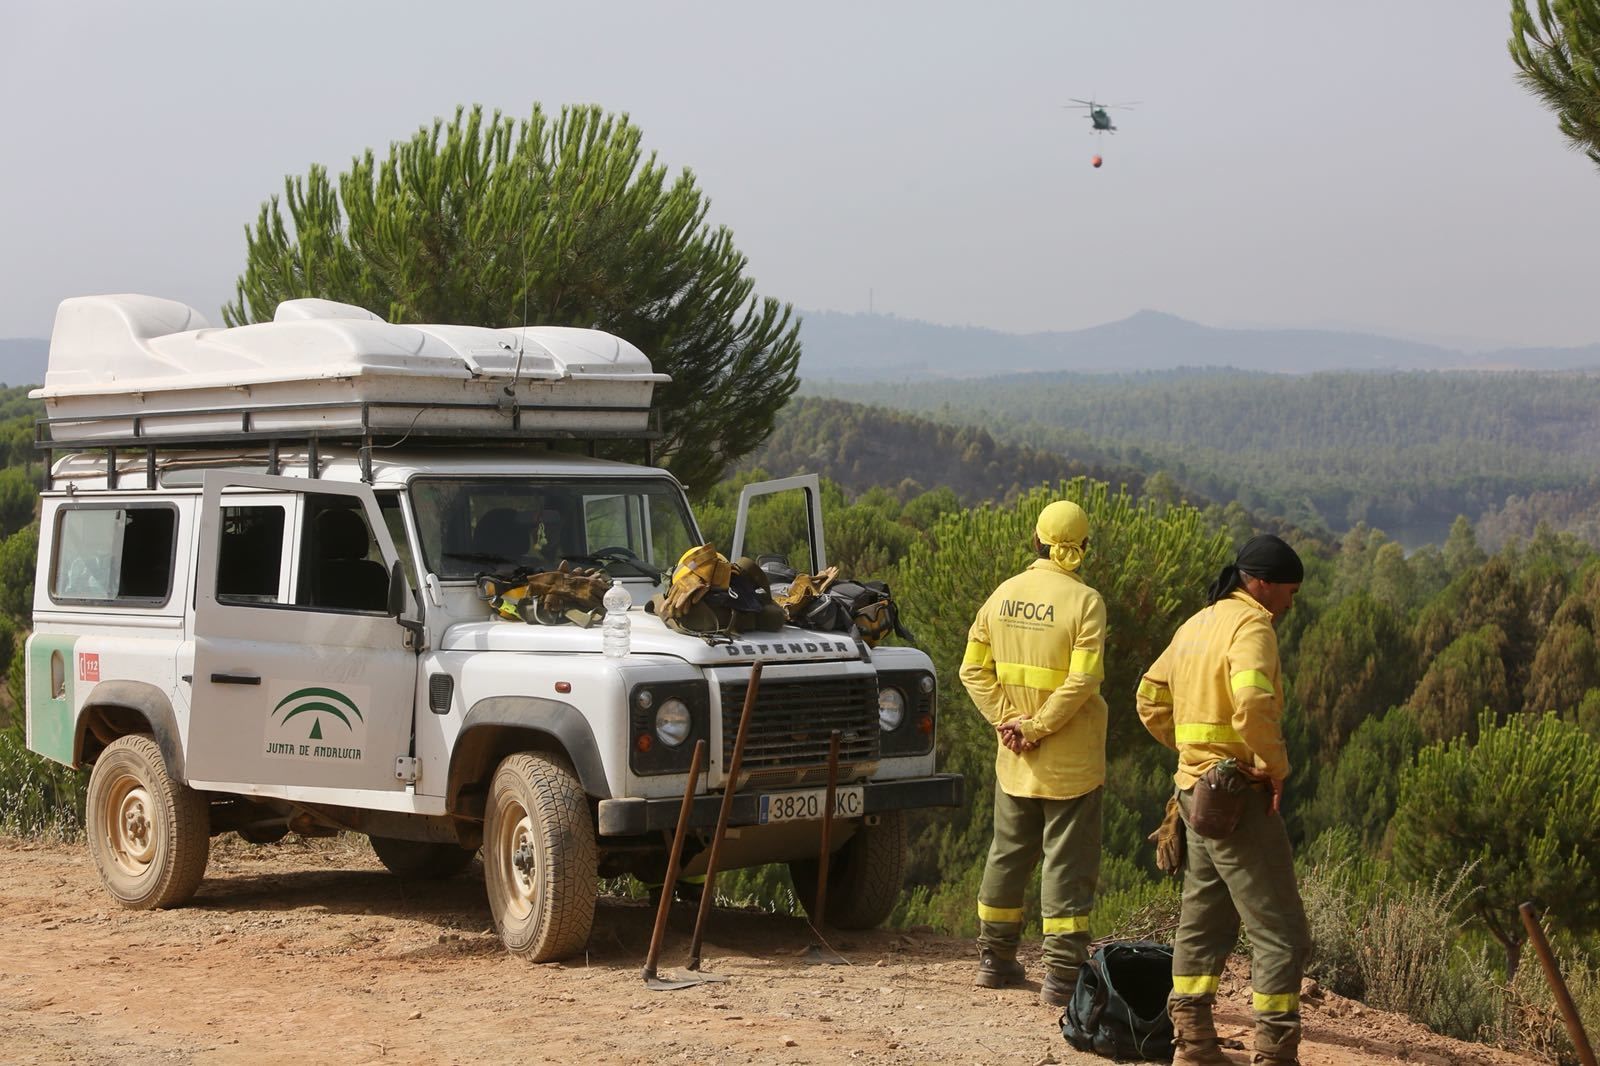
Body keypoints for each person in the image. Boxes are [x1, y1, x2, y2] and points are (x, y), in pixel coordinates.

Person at [1135, 534, 1310, 1066]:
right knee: (1281, 932)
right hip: (1236, 798)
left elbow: (1149, 697)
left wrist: (1192, 751)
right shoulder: (1252, 625)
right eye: (1288, 591)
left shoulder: (1196, 622)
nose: (1290, 603)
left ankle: (1193, 1048)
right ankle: (1275, 1056)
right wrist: (1270, 765)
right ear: (1260, 584)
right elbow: (1254, 699)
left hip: (1192, 796)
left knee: (1203, 922)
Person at [959, 500, 1107, 1007]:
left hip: (1014, 756)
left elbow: (971, 669)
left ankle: (993, 961)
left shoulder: (1002, 596)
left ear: (1035, 540)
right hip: (1070, 760)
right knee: (1067, 863)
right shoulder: (1086, 602)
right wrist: (1039, 727)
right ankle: (1062, 976)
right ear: (1083, 546)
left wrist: (1009, 722)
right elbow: (1083, 679)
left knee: (1007, 854)